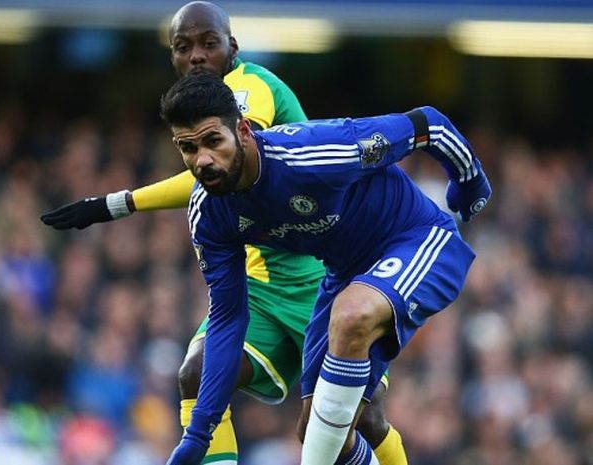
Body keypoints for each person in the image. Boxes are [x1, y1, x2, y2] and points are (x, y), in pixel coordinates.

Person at [41, 2, 407, 464]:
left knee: (358, 421)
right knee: (197, 372)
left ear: (231, 47)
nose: (196, 56)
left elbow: (221, 168)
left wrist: (118, 203)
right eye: (183, 47)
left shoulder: (248, 89)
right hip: (263, 288)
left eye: (208, 44)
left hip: (325, 277)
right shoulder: (195, 111)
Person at [157, 73, 491, 465]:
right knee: (319, 432)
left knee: (351, 316)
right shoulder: (210, 214)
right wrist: (198, 434)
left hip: (418, 239)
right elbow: (228, 319)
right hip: (344, 274)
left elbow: (427, 124)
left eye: (213, 141)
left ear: (243, 131)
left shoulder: (318, 153)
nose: (203, 160)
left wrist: (470, 182)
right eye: (188, 148)